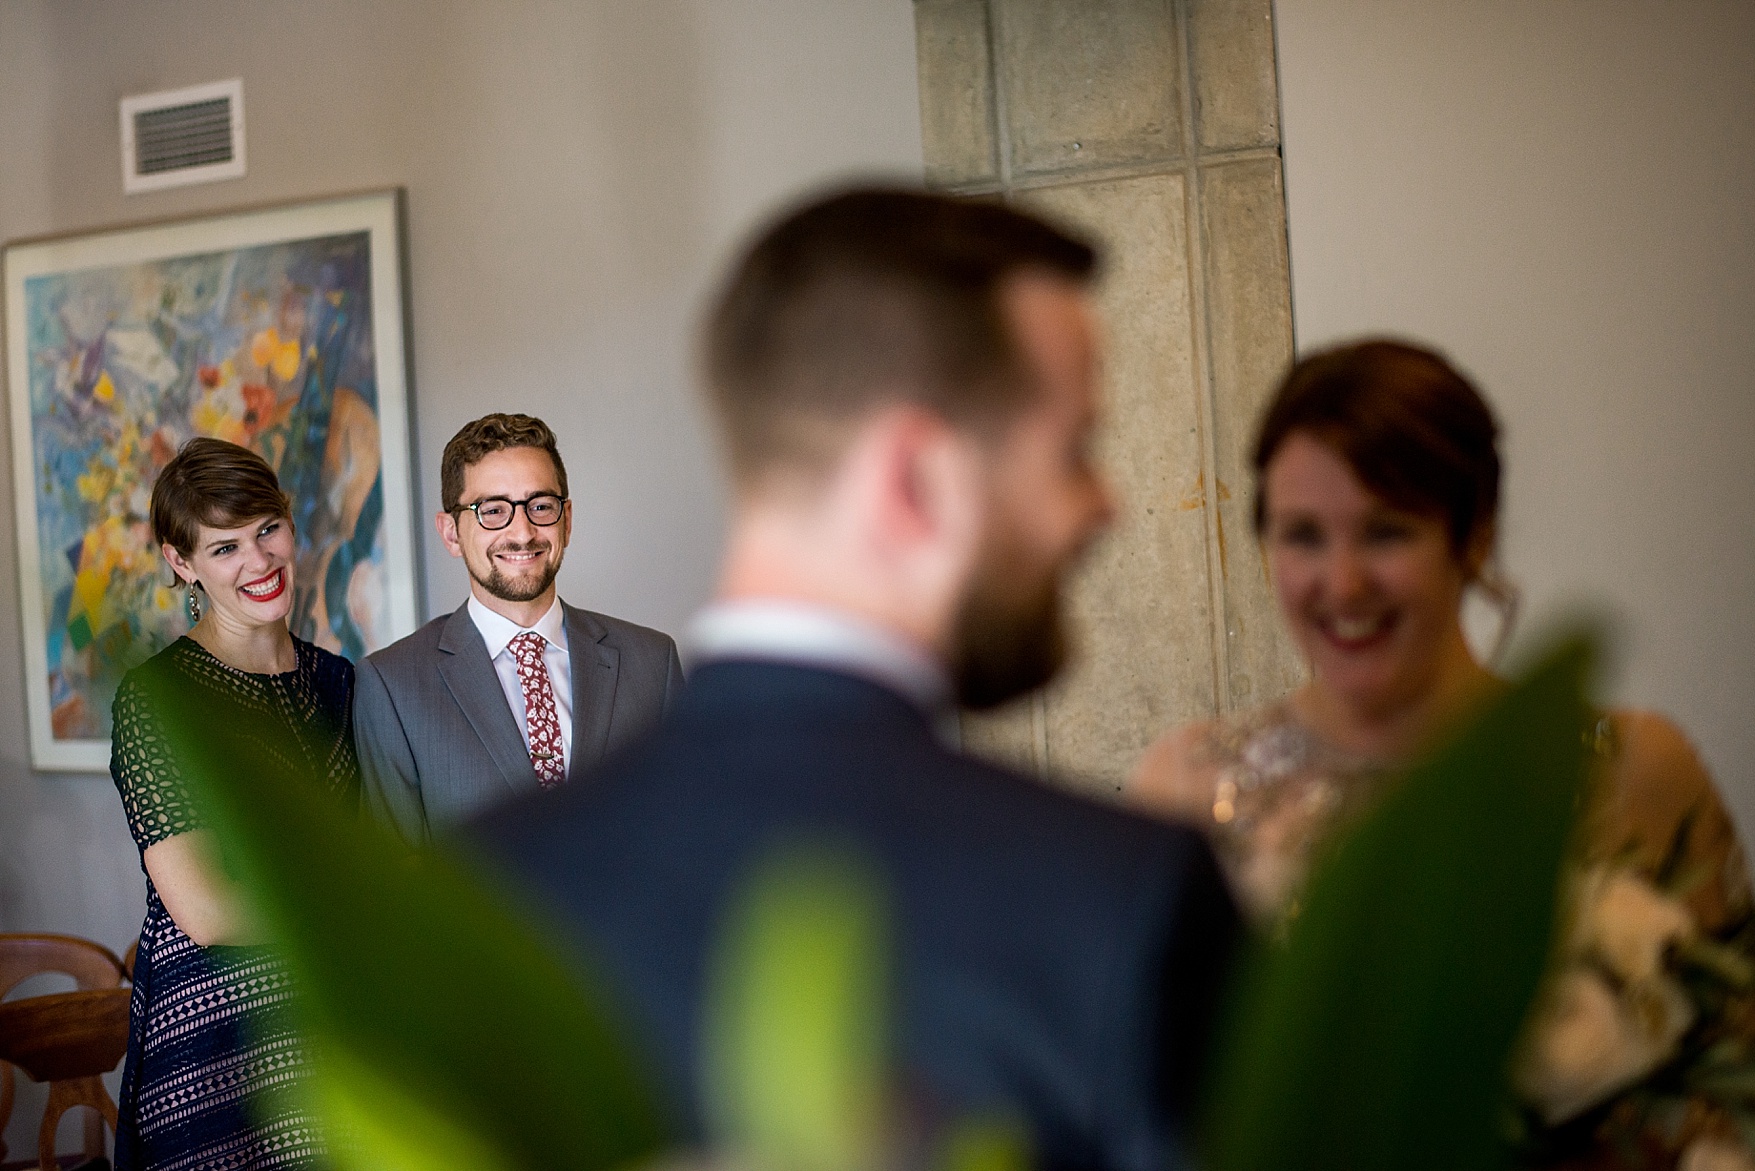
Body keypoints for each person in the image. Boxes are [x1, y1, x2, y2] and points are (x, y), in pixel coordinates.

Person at [470, 188, 1240, 1171]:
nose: (1103, 507)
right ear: (913, 481)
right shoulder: (1120, 904)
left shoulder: (479, 891)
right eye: (1075, 448)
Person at [1130, 339, 1753, 1167]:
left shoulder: (1636, 767)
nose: (1342, 583)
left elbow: (1731, 1088)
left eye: (1386, 532)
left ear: (1474, 535)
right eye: (1302, 536)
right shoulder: (1182, 785)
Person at [111, 437, 356, 1169]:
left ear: (289, 522)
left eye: (266, 530)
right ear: (181, 562)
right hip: (214, 1046)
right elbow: (207, 911)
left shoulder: (338, 681)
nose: (258, 561)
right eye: (224, 548)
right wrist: (365, 910)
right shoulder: (162, 700)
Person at [354, 413, 683, 844]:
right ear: (451, 533)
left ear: (566, 520)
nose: (523, 532)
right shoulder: (392, 686)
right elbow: (396, 874)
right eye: (493, 511)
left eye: (540, 506)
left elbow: (688, 835)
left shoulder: (652, 663)